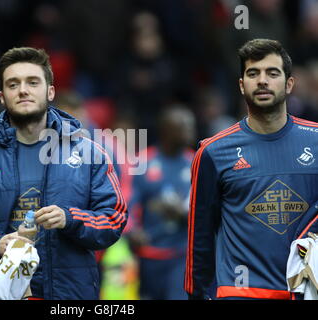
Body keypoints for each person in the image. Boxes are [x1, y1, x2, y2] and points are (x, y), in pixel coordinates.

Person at [0, 47, 127, 300]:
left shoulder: (91, 154)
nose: (23, 90)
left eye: (32, 82)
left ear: (50, 92)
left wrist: (70, 219)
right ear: (2, 97)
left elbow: (113, 220)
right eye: (13, 84)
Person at [185, 38, 318, 300]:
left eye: (272, 73)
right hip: (240, 292)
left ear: (289, 84)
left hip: (305, 291)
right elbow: (199, 239)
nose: (262, 81)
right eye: (253, 73)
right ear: (241, 85)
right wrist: (197, 295)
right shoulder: (212, 152)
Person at [127, 105, 195, 300]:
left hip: (181, 255)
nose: (190, 131)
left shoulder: (195, 162)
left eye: (191, 126)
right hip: (147, 255)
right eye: (184, 127)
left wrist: (183, 214)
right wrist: (132, 231)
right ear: (166, 130)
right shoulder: (143, 161)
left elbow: (205, 210)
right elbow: (127, 204)